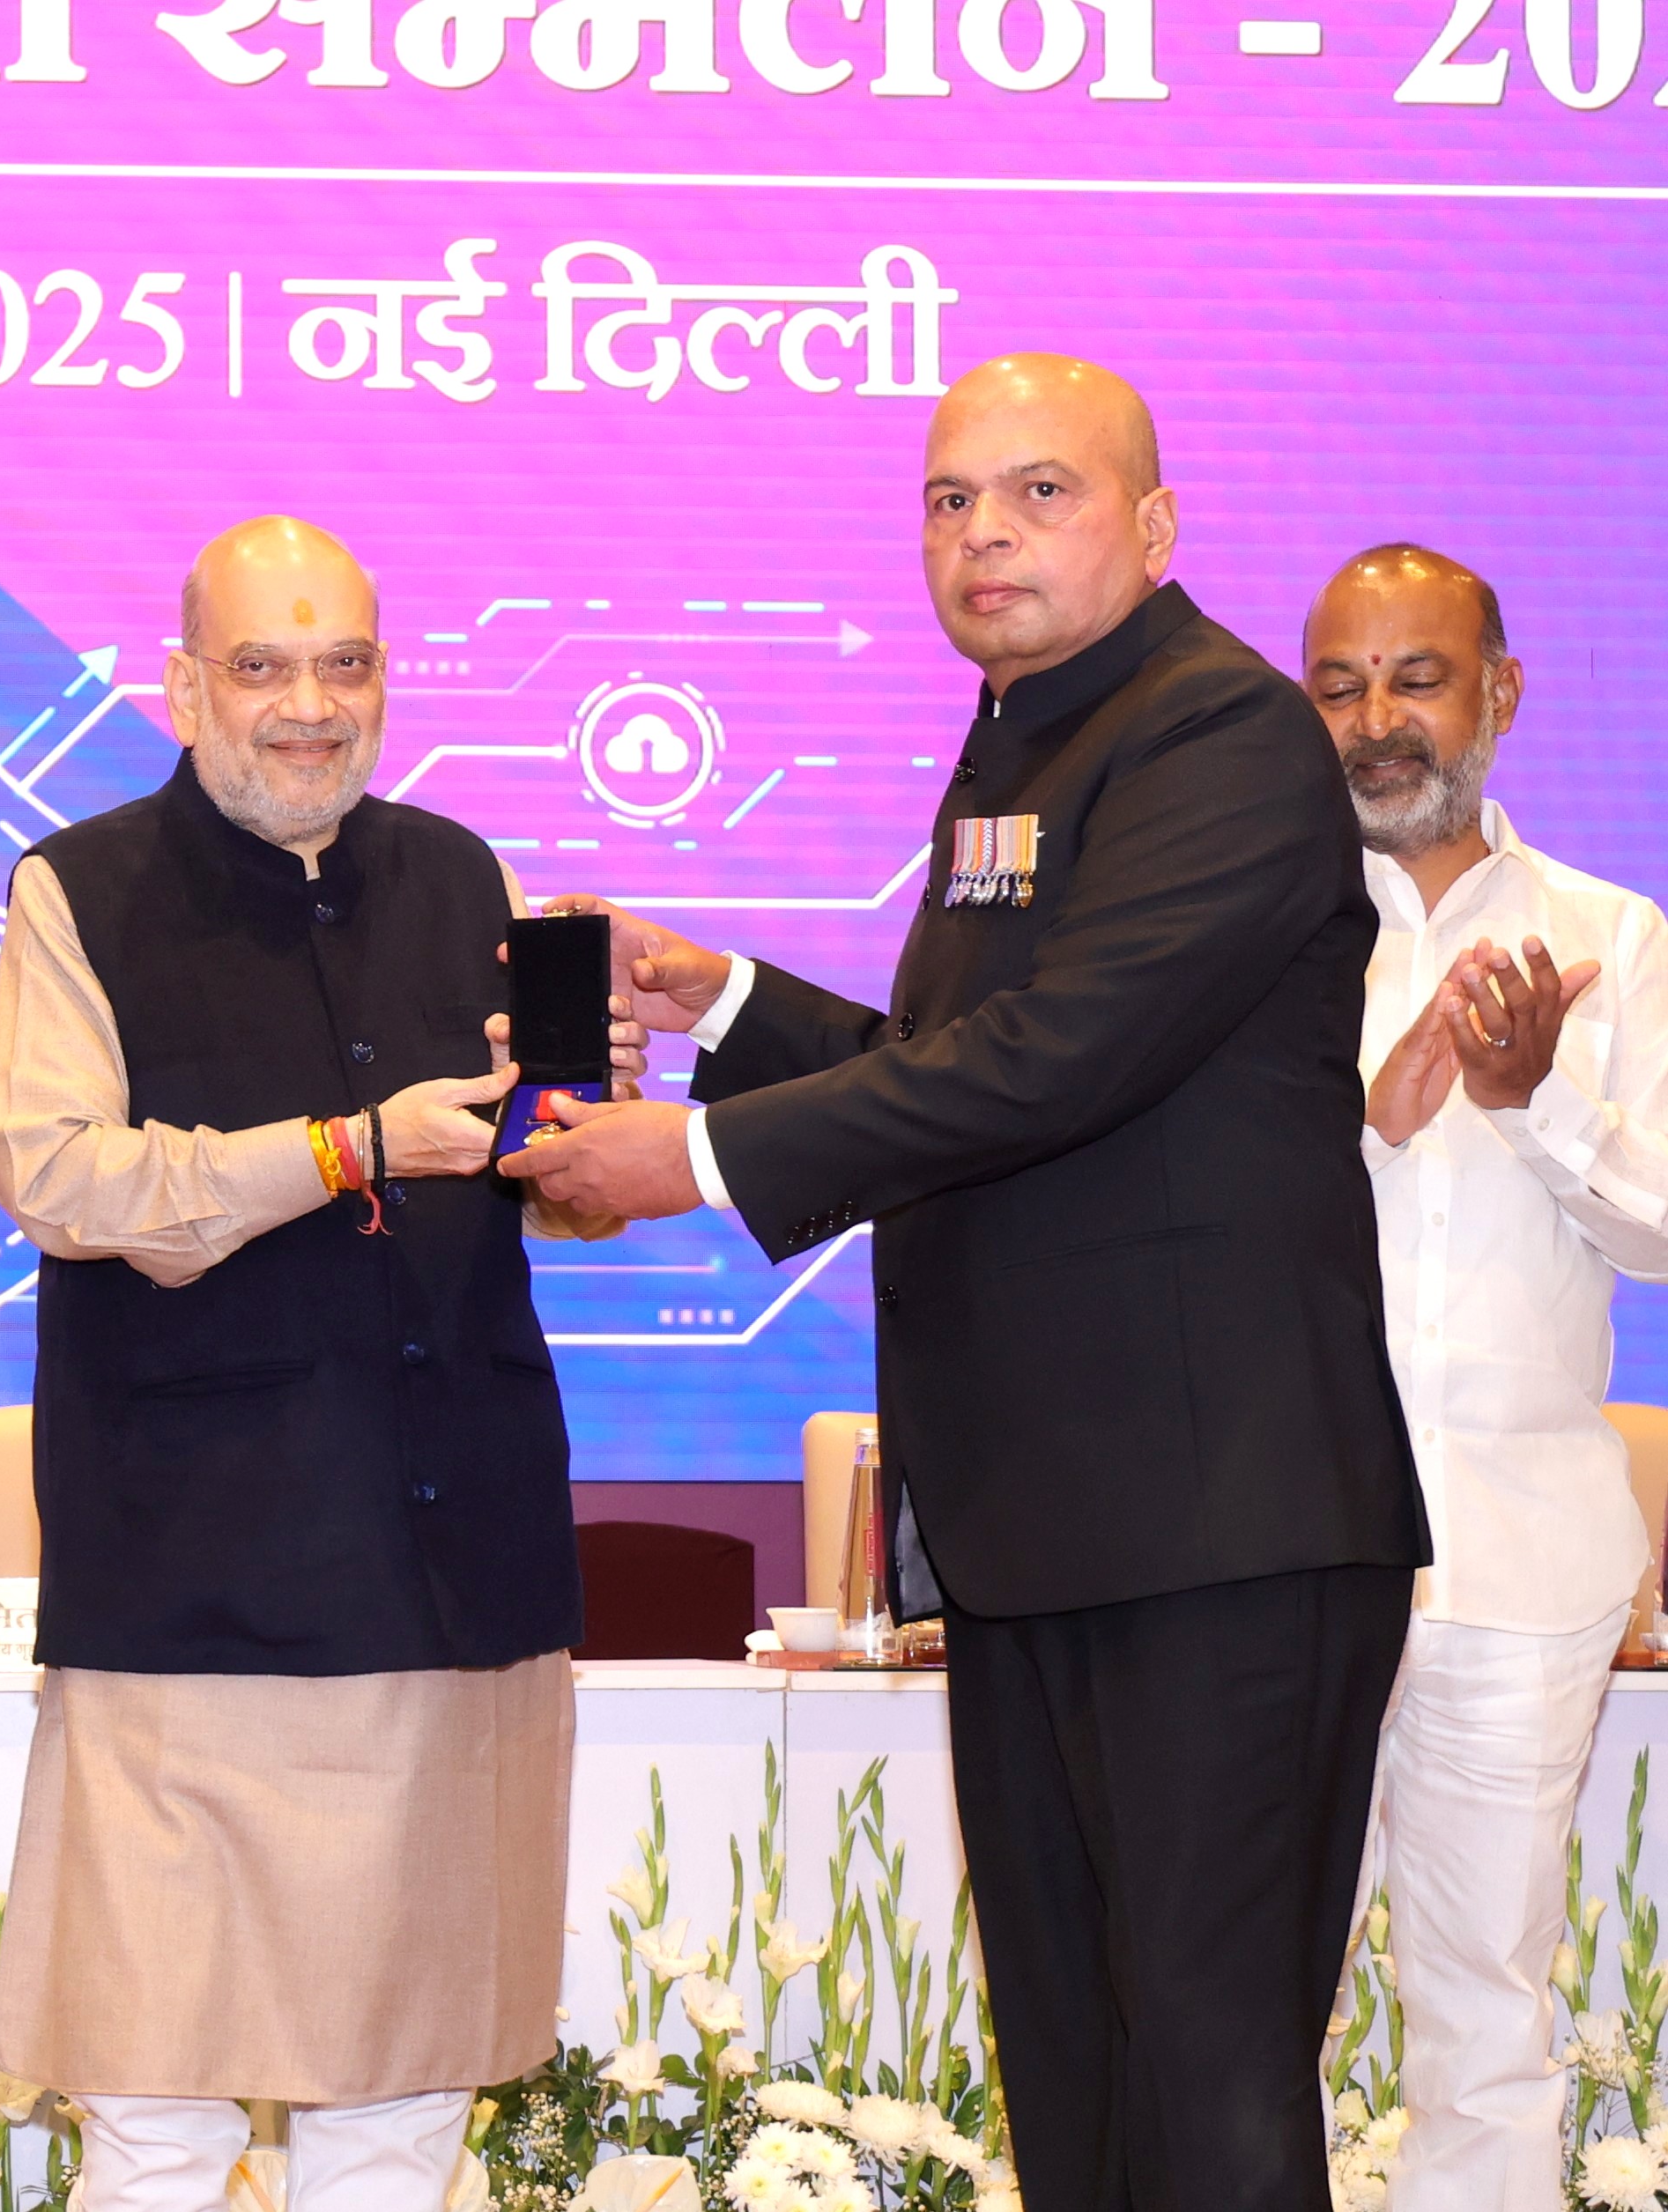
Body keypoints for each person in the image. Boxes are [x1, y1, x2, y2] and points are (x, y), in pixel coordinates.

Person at [505, 356, 1428, 2211]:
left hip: (1214, 1527)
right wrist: (724, 999)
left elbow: (1054, 1062)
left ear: (1153, 526)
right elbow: (967, 1067)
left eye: (1037, 492)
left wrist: (692, 1158)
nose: (984, 533)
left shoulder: (1219, 731)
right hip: (1053, 1524)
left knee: (1210, 2085)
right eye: (948, 500)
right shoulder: (1029, 735)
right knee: (1074, 2067)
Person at [0, 516, 638, 2212]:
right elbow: (55, 1178)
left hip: (449, 1566)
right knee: (153, 2096)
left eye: (343, 664)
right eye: (261, 667)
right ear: (182, 684)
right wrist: (350, 1146)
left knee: (402, 2099)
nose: (307, 707)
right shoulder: (79, 887)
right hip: (191, 1574)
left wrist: (582, 1135)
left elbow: (553, 1206)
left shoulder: (465, 878)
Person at [1307, 543, 1668, 2210]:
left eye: (1415, 678)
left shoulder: (1612, 935)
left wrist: (1532, 1103)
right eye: (1337, 687)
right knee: (1246, 2016)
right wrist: (1365, 1122)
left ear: (1502, 692)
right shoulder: (1255, 934)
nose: (1375, 720)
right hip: (1281, 1557)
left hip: (1519, 1565)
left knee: (1485, 2022)